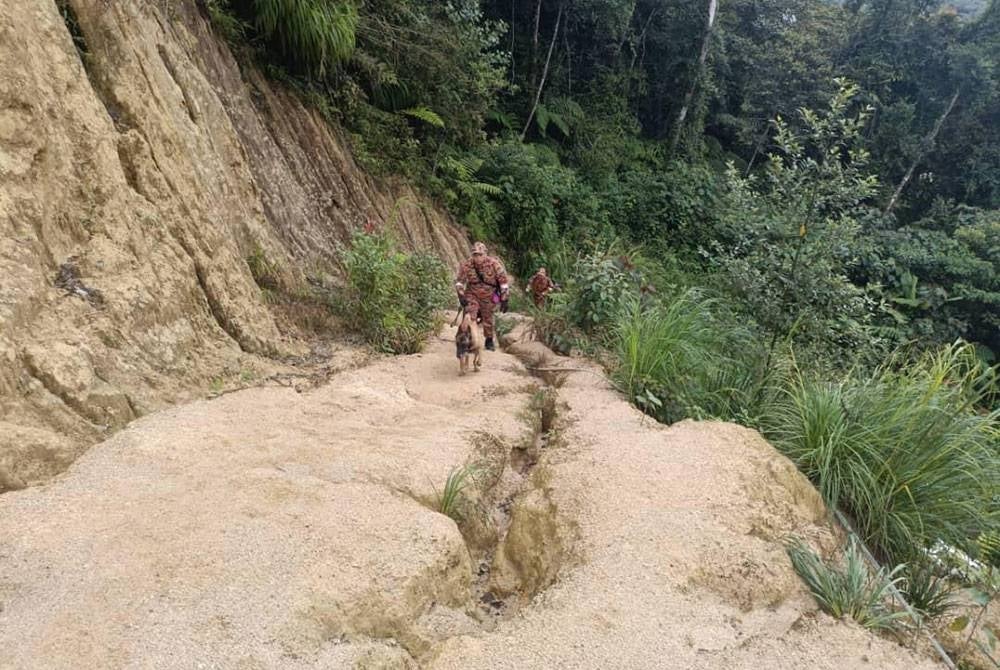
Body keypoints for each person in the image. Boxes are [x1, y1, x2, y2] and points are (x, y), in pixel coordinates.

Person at [455, 242, 509, 351]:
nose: (478, 257)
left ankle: (489, 340)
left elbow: (503, 282)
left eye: (480, 254)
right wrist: (460, 295)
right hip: (472, 294)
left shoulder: (494, 264)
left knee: (488, 318)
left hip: (489, 296)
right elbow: (459, 282)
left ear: (485, 254)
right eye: (475, 255)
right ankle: (468, 339)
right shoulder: (467, 265)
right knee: (470, 315)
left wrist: (504, 298)